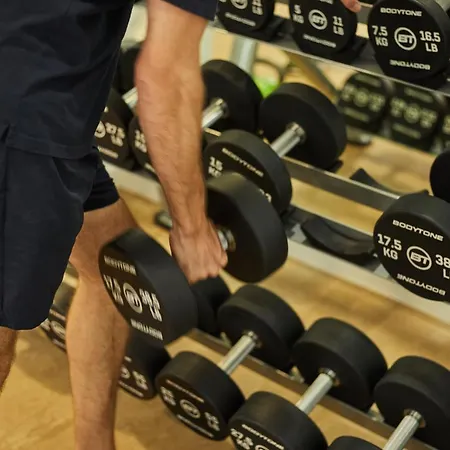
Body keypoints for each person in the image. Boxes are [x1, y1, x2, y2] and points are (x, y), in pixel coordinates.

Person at [0, 0, 361, 447]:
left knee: (114, 271)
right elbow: (165, 80)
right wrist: (190, 226)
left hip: (49, 115)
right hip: (23, 127)